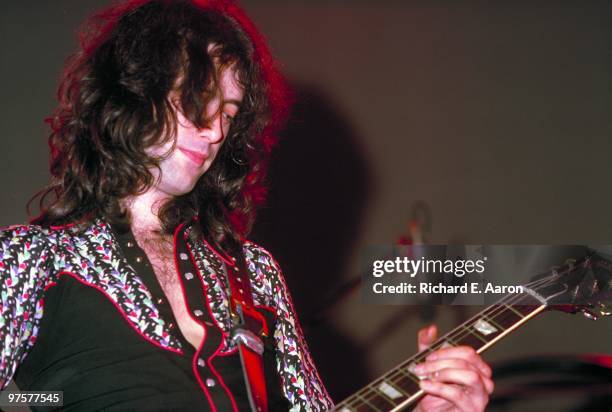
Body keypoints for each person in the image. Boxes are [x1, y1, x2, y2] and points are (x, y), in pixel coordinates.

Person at [0, 0, 493, 410]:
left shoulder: (254, 272)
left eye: (229, 113)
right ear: (134, 91)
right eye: (198, 99)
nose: (215, 131)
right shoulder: (31, 258)